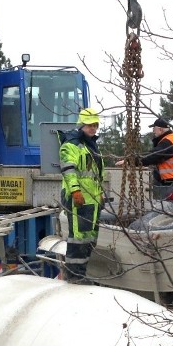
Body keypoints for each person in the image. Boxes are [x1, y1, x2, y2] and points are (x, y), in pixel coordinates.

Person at [59, 107, 105, 283]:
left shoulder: (91, 146)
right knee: (78, 237)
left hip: (91, 198)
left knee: (89, 238)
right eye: (89, 125)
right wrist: (75, 191)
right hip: (79, 198)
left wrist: (99, 193)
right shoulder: (71, 144)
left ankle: (81, 273)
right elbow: (68, 170)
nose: (92, 128)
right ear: (81, 125)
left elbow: (96, 174)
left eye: (95, 125)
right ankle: (74, 275)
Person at [115, 117, 173, 202]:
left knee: (170, 208)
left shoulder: (168, 141)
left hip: (171, 182)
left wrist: (130, 161)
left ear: (160, 129)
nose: (153, 131)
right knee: (169, 207)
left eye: (154, 128)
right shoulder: (172, 139)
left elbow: (152, 156)